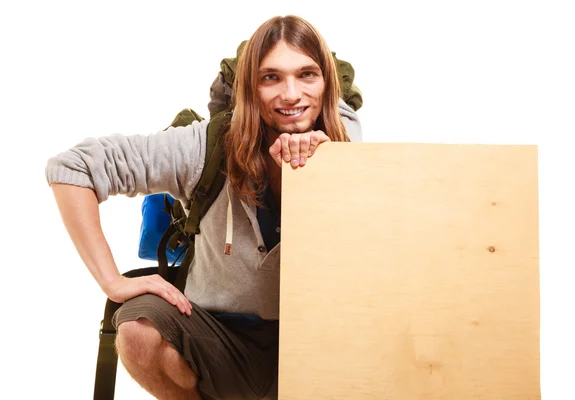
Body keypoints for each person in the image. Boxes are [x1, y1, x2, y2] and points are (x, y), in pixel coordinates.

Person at [45, 14, 362, 400]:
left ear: (326, 83)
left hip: (315, 343)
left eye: (307, 75)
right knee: (138, 329)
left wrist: (325, 158)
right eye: (270, 77)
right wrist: (112, 281)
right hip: (216, 337)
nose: (291, 94)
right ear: (248, 86)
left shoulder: (349, 147)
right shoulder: (204, 146)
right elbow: (72, 167)